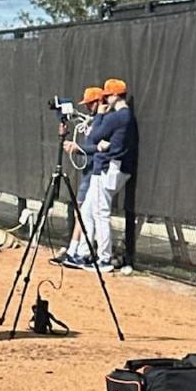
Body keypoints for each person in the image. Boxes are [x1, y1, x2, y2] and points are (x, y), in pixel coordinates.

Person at [64, 77, 138, 272]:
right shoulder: (123, 116)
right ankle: (83, 253)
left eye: (107, 96)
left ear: (115, 95)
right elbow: (97, 141)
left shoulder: (117, 116)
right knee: (88, 212)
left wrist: (99, 117)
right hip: (108, 168)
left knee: (100, 214)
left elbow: (94, 136)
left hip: (108, 169)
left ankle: (104, 258)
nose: (105, 101)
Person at [51, 86, 106, 266]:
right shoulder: (94, 120)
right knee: (81, 213)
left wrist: (78, 148)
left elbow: (98, 147)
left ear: (99, 101)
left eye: (90, 104)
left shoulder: (102, 121)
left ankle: (79, 251)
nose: (87, 108)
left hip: (94, 174)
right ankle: (75, 249)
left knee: (82, 213)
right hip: (88, 172)